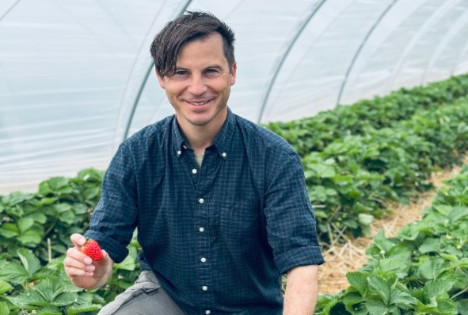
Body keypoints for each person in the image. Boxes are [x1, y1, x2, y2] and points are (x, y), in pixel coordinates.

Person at [64, 11, 324, 315]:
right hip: (168, 297)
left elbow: (301, 262)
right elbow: (105, 243)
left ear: (232, 73)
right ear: (162, 78)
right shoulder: (137, 154)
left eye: (211, 71)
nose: (197, 88)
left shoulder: (273, 157)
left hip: (248, 307)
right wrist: (92, 269)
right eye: (181, 73)